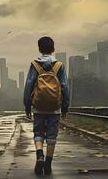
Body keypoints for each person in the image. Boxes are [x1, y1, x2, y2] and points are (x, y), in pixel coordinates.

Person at [23, 36, 70, 175]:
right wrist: (65, 107)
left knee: (38, 133)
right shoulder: (59, 66)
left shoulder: (35, 65)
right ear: (53, 49)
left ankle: (39, 157)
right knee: (52, 135)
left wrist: (27, 105)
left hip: (38, 107)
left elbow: (28, 86)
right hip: (55, 108)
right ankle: (48, 164)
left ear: (39, 49)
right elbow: (65, 87)